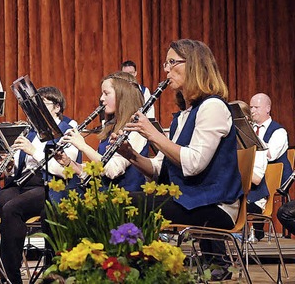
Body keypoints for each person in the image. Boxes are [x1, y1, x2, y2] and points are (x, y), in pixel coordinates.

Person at [116, 39, 243, 281]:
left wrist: (153, 134)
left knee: (129, 205)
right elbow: (158, 168)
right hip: (192, 199)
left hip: (215, 205)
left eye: (172, 62)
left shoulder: (213, 107)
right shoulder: (183, 116)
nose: (166, 69)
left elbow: (194, 164)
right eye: (166, 63)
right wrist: (129, 154)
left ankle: (140, 275)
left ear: (195, 65)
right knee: (119, 202)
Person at [0, 86, 80, 284]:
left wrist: (33, 151)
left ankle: (10, 276)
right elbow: (19, 168)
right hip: (22, 183)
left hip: (50, 185)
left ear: (56, 107)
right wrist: (9, 166)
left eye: (42, 104)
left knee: (12, 208)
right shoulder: (30, 130)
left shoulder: (68, 128)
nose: (36, 110)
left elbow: (65, 169)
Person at [58, 71, 148, 192]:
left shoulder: (136, 128)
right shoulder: (111, 126)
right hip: (107, 198)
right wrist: (71, 164)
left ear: (123, 95)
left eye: (106, 93)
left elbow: (113, 170)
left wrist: (83, 146)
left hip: (128, 201)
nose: (101, 99)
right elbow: (100, 171)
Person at [230, 100, 269, 241]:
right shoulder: (230, 144)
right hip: (236, 195)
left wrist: (232, 166)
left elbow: (257, 179)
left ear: (245, 120)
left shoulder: (258, 145)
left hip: (254, 198)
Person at [250, 93, 290, 185]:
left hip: (273, 181)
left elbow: (270, 156)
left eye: (256, 107)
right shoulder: (250, 128)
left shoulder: (279, 131)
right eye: (251, 107)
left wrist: (251, 137)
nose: (252, 111)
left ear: (268, 109)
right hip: (252, 179)